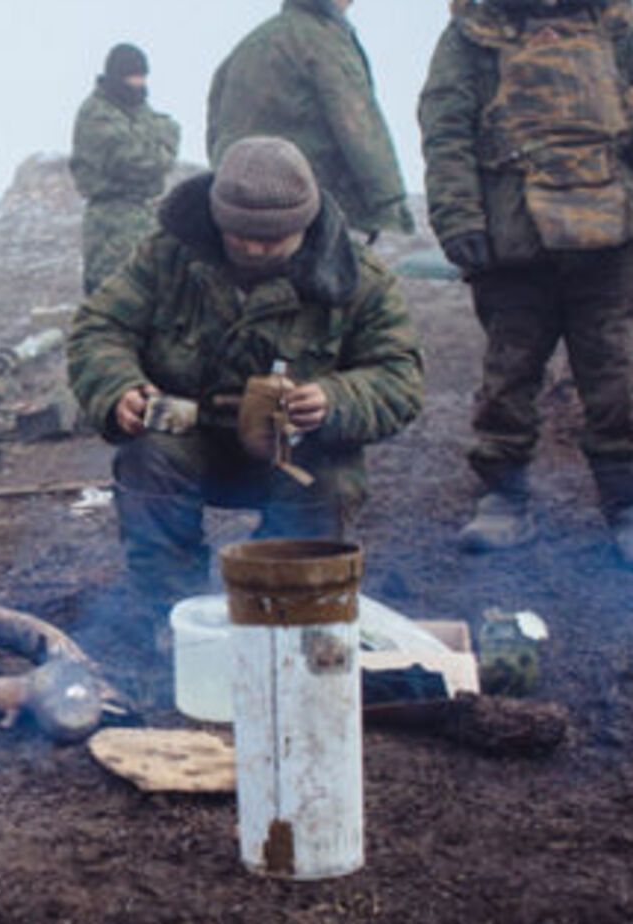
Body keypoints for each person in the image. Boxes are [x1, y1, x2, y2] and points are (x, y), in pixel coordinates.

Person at [66, 138, 423, 607]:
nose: (254, 247)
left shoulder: (357, 279)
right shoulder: (169, 256)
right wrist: (118, 388)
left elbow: (399, 375)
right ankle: (170, 613)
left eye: (272, 238)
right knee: (147, 458)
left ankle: (283, 604)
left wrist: (334, 399)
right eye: (239, 234)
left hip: (294, 450)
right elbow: (100, 327)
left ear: (304, 225)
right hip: (189, 437)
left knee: (331, 479)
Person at [420, 0, 633, 571]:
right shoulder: (472, 31)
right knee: (508, 378)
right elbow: (446, 130)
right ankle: (504, 498)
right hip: (515, 243)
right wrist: (458, 219)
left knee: (617, 379)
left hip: (609, 241)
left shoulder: (613, 21)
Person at [207, 0, 415, 239]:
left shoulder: (249, 45)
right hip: (310, 207)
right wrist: (389, 204)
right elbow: (358, 125)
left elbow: (215, 127)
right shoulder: (323, 41)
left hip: (240, 206)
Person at [71, 43, 181, 295]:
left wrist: (160, 147)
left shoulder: (138, 108)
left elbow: (170, 129)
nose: (139, 83)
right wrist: (162, 152)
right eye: (133, 76)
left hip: (145, 215)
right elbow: (134, 161)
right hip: (111, 222)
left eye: (142, 76)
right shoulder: (96, 113)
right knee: (113, 293)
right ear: (117, 76)